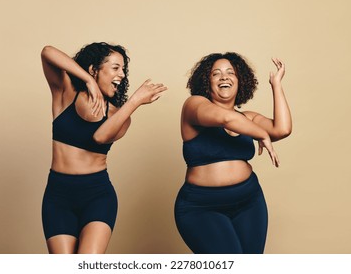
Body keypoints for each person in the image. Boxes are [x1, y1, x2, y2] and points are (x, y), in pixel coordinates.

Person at [40, 42, 167, 254]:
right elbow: (47, 52)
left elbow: (100, 137)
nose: (122, 75)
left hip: (97, 196)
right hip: (58, 195)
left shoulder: (120, 116)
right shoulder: (65, 93)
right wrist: (88, 80)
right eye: (116, 67)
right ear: (94, 69)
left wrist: (134, 101)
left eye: (124, 70)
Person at [174, 52, 292, 254]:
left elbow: (282, 129)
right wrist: (261, 134)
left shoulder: (248, 118)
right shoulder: (194, 106)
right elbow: (225, 119)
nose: (224, 77)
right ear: (206, 82)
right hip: (201, 207)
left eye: (231, 73)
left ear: (240, 81)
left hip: (249, 201)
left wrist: (276, 85)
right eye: (216, 74)